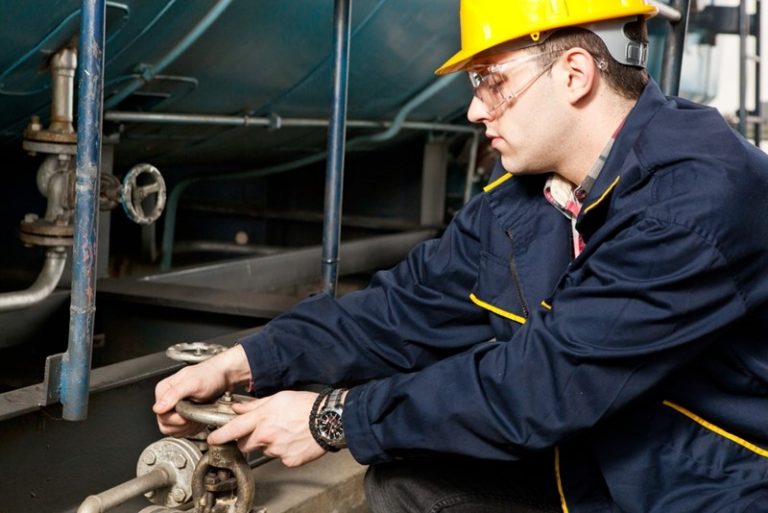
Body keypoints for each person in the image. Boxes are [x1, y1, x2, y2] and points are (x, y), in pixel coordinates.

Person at [154, 0, 768, 511]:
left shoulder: (694, 200)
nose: (475, 109)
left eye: (491, 81)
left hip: (709, 486)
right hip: (592, 465)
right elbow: (402, 311)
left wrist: (333, 418)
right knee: (414, 484)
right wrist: (249, 360)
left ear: (575, 74)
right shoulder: (529, 198)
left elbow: (545, 384)